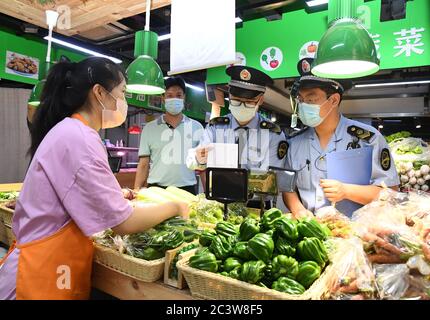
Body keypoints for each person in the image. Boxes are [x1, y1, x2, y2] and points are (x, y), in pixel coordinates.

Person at [0, 57, 189, 300]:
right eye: (122, 92)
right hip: (40, 275)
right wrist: (175, 206)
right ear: (99, 92)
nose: (125, 102)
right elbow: (123, 222)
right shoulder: (80, 138)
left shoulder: (70, 131)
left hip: (47, 266)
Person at [283, 72, 400, 218]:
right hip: (310, 232)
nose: (303, 105)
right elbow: (287, 187)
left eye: (311, 99)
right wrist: (298, 210)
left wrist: (346, 191)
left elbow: (391, 193)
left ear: (333, 100)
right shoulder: (294, 143)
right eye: (300, 100)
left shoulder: (368, 139)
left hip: (356, 234)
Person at [187, 66, 289, 208]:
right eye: (236, 100)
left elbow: (273, 178)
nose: (241, 105)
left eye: (248, 102)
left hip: (256, 205)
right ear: (229, 95)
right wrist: (198, 158)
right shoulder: (216, 127)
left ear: (260, 100)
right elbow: (194, 161)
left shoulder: (273, 134)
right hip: (219, 202)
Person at [134, 76, 204, 195]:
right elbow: (143, 165)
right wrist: (136, 191)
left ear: (184, 97)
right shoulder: (149, 128)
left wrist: (209, 196)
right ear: (163, 98)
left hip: (187, 190)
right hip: (156, 190)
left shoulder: (197, 128)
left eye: (178, 95)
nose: (174, 99)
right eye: (170, 95)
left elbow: (203, 166)